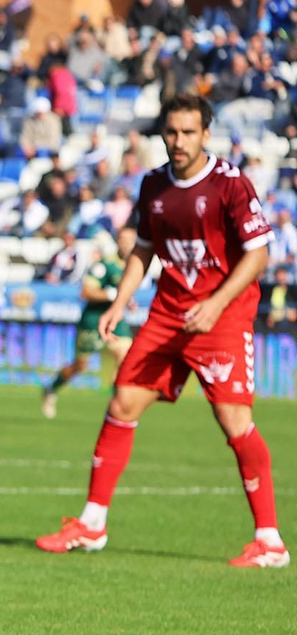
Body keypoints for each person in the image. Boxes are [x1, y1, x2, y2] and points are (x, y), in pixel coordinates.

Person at [36, 94, 283, 567]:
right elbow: (144, 250)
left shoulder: (231, 184)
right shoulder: (153, 185)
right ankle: (91, 524)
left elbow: (258, 255)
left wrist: (215, 304)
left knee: (235, 424)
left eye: (189, 132)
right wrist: (120, 303)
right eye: (172, 132)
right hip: (168, 315)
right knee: (123, 401)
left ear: (206, 135)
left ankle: (270, 541)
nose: (179, 141)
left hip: (222, 317)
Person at [42, 228, 138, 419]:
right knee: (80, 366)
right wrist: (113, 295)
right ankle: (51, 389)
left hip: (115, 320)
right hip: (93, 320)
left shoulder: (131, 265)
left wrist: (128, 300)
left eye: (131, 240)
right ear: (117, 241)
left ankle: (116, 408)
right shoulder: (104, 265)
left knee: (126, 359)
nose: (127, 244)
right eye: (123, 240)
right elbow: (86, 292)